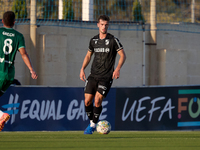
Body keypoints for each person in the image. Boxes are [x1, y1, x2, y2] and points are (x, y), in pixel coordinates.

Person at [79, 15, 126, 134]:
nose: (104, 27)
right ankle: (92, 123)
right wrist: (82, 68)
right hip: (93, 75)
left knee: (98, 100)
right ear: (98, 25)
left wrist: (118, 69)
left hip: (106, 77)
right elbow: (88, 55)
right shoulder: (93, 40)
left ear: (108, 25)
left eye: (106, 25)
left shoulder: (113, 40)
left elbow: (123, 55)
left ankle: (93, 125)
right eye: (102, 24)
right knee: (87, 101)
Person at [0, 11, 38, 131]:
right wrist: (31, 70)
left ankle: (2, 115)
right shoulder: (18, 36)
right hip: (9, 74)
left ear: (2, 21)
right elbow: (24, 54)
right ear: (14, 22)